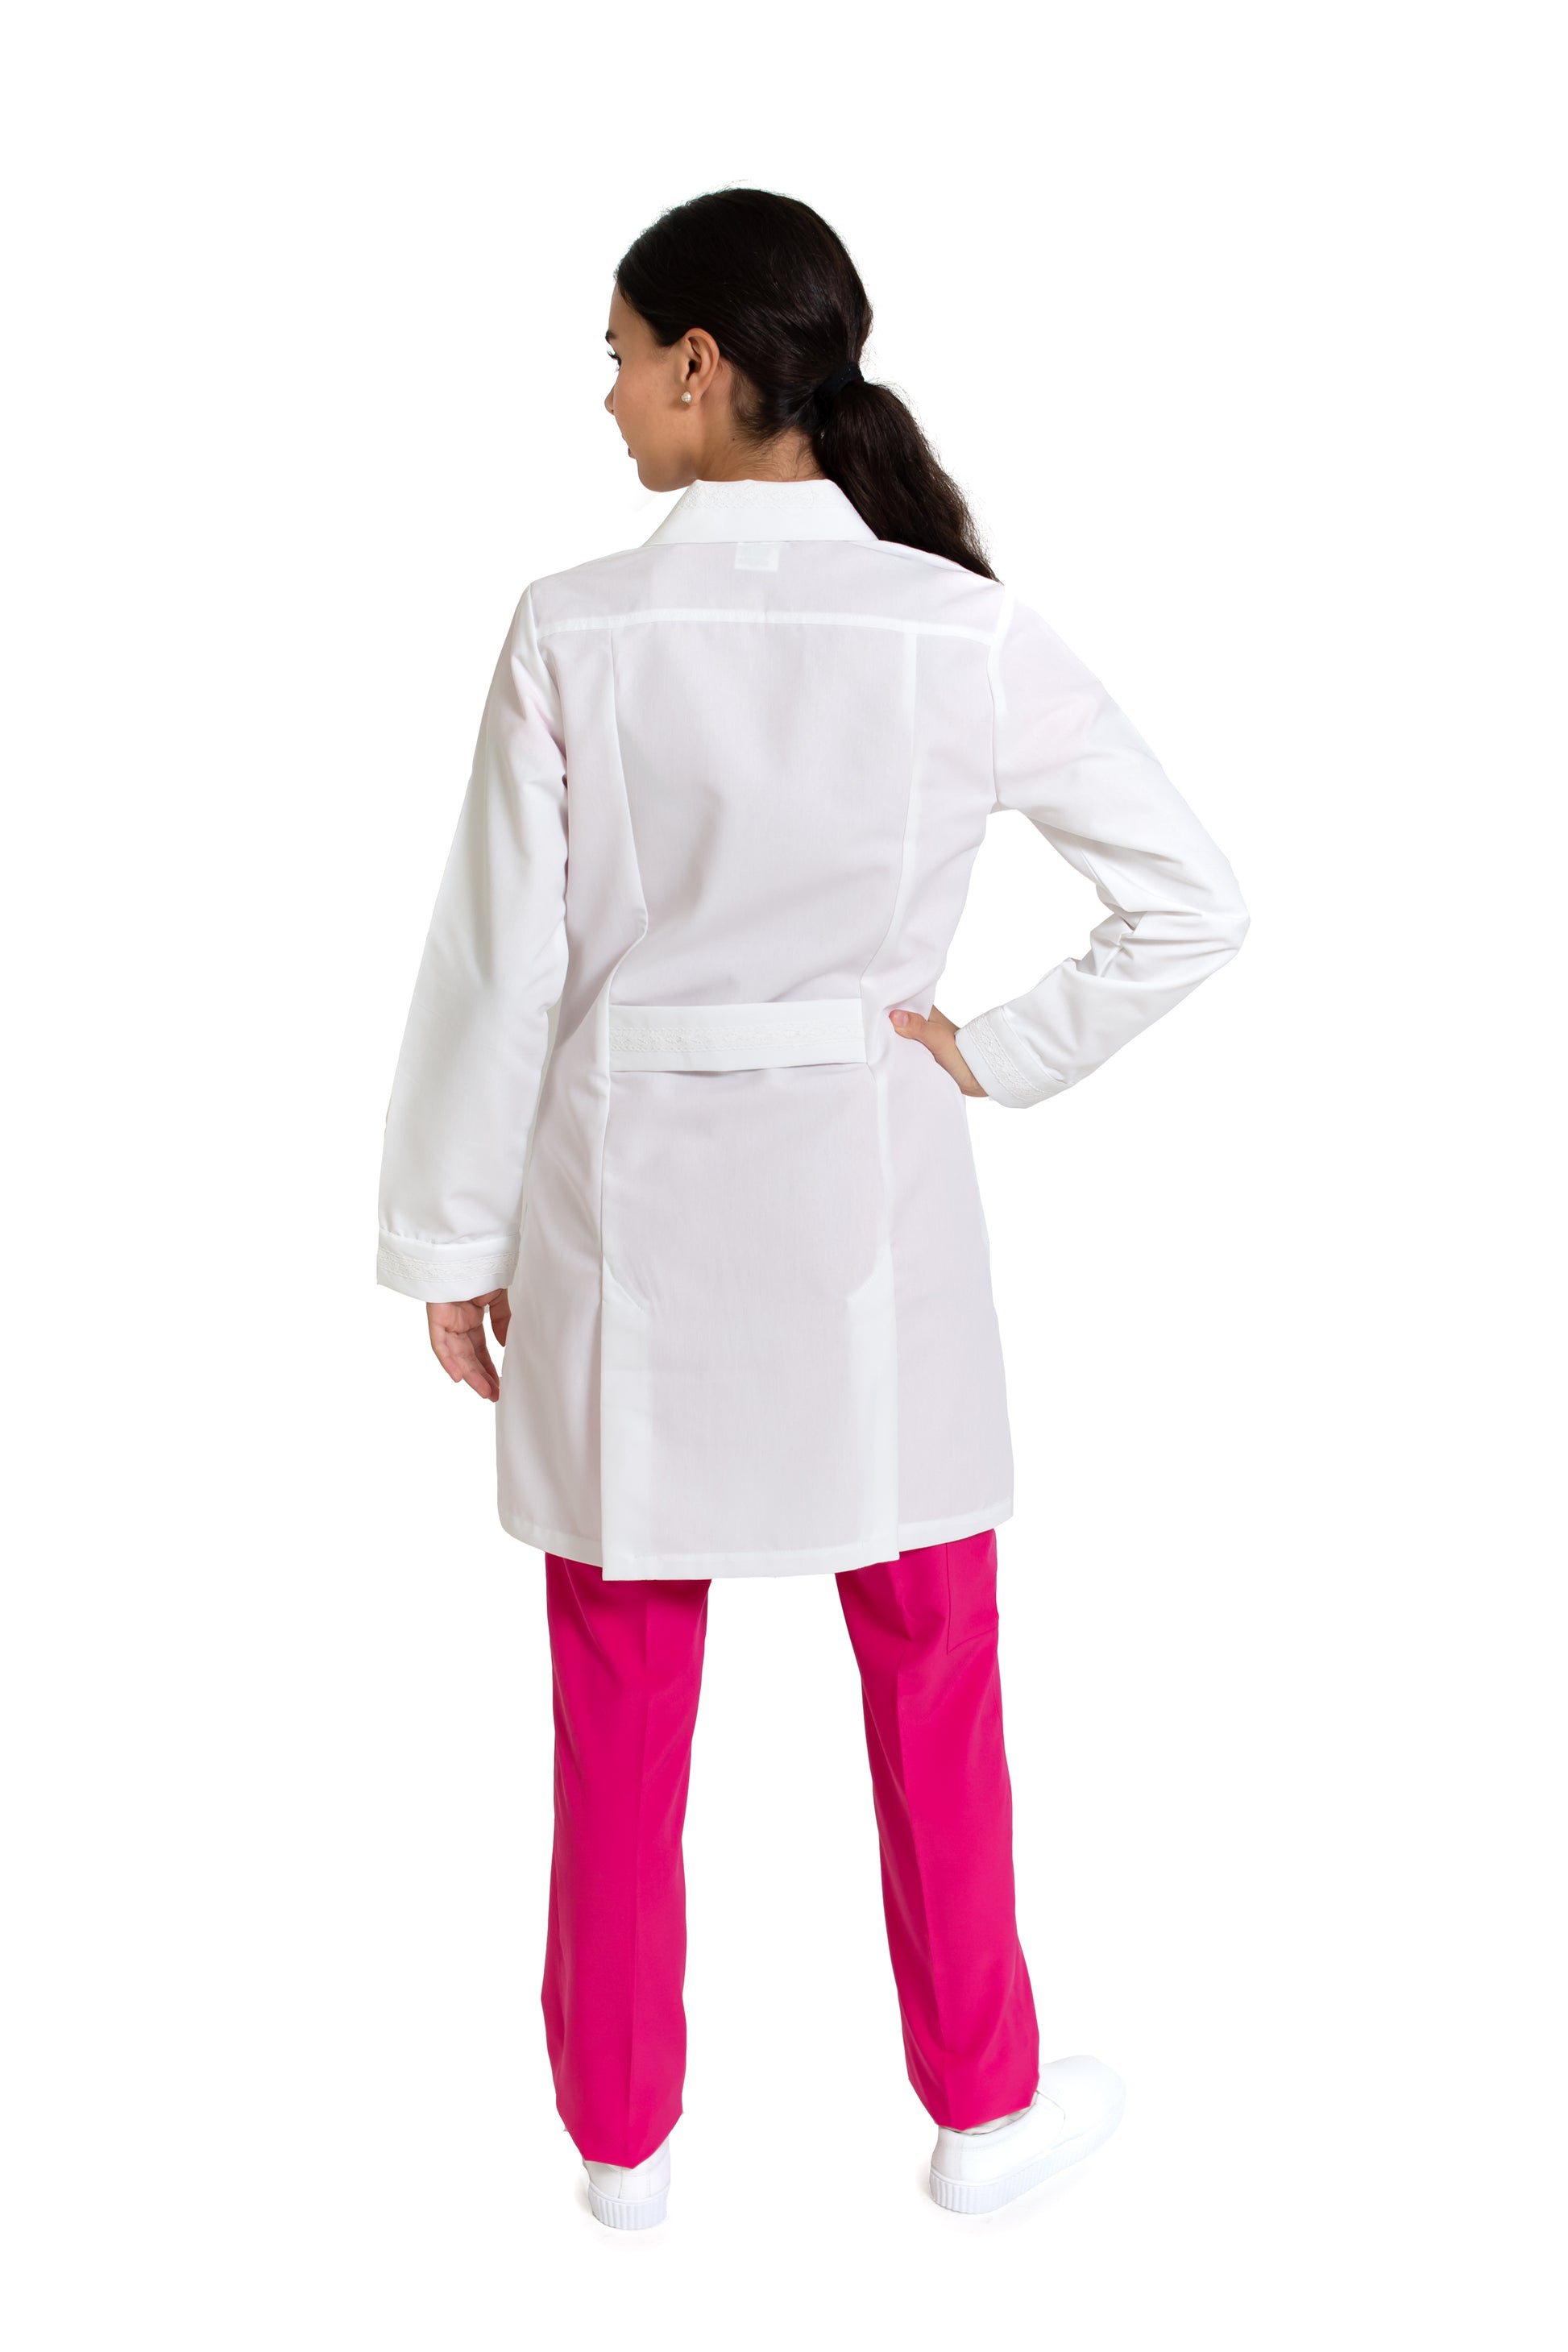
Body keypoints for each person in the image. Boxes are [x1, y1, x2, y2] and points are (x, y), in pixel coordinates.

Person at [375, 188, 1249, 2229]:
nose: (605, 395)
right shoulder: (955, 629)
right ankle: (983, 2112)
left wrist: (453, 1240)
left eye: (617, 355)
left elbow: (498, 964)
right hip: (875, 1203)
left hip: (621, 1213)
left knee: (617, 1670)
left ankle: (621, 2146)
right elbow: (1193, 899)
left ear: (703, 365)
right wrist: (993, 1051)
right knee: (934, 1655)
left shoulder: (574, 627)